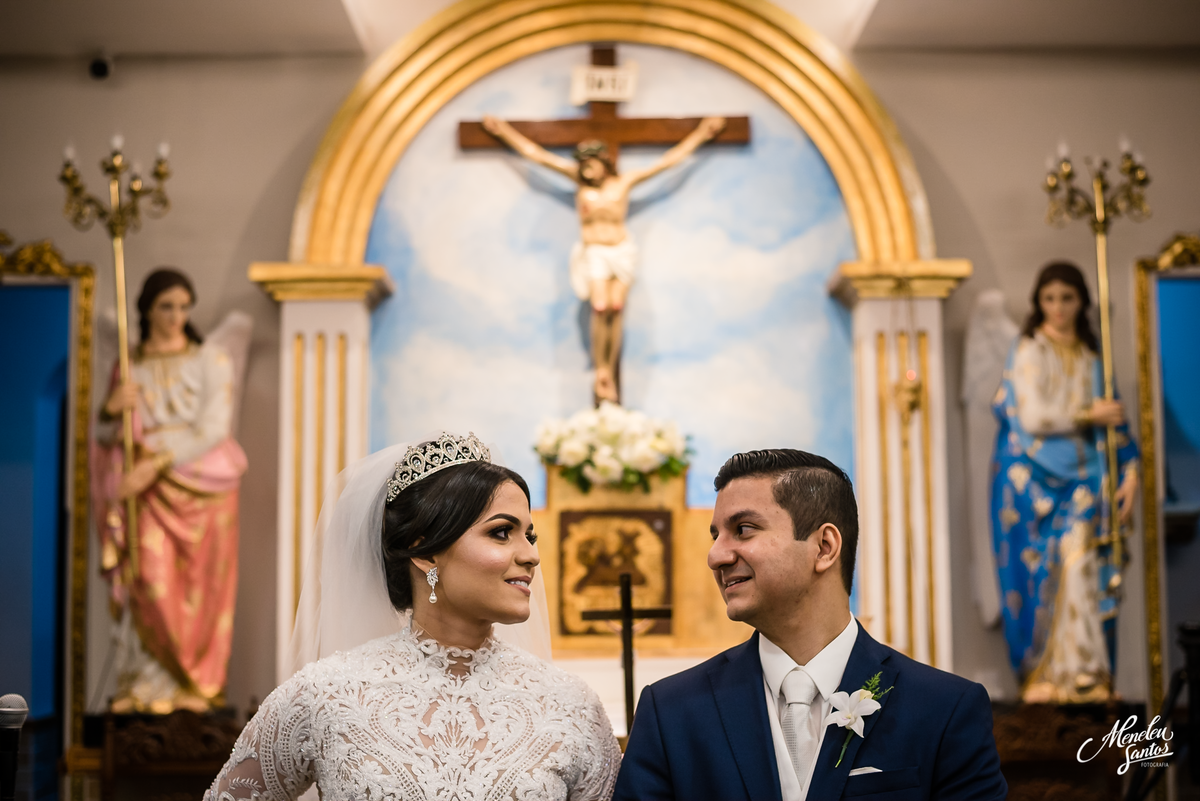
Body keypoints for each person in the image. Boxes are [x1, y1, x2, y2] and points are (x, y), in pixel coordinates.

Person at [206, 432, 620, 801]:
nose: (531, 555)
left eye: (529, 535)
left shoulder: (571, 706)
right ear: (424, 551)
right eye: (501, 532)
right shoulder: (325, 695)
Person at [614, 449, 1006, 801]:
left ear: (824, 547)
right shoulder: (671, 713)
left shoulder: (944, 709)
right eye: (716, 535)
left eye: (743, 529)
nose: (715, 556)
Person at [481, 114, 726, 403]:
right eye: (582, 165)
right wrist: (504, 132)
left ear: (604, 162)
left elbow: (667, 162)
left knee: (616, 308)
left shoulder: (623, 183)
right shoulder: (579, 183)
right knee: (600, 307)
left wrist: (701, 134)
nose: (586, 170)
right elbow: (538, 156)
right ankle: (602, 371)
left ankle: (609, 366)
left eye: (591, 163)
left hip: (621, 250)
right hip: (594, 251)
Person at [92, 268, 248, 714]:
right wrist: (110, 409)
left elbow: (214, 428)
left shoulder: (210, 360)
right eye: (167, 307)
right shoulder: (131, 365)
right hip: (146, 494)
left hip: (200, 484)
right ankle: (145, 683)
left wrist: (153, 466)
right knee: (147, 575)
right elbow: (104, 435)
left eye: (183, 307)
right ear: (147, 310)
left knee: (199, 586)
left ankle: (195, 687)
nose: (177, 316)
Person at [991, 261, 1139, 703]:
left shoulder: (1096, 359)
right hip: (1035, 482)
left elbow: (1118, 430)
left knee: (1084, 566)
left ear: (1082, 303)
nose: (1058, 308)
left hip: (1088, 481)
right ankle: (1049, 672)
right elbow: (1033, 416)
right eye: (1049, 298)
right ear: (1038, 303)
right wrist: (1086, 412)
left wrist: (1130, 471)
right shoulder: (1029, 350)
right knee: (1047, 569)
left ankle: (1087, 670)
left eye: (1068, 298)